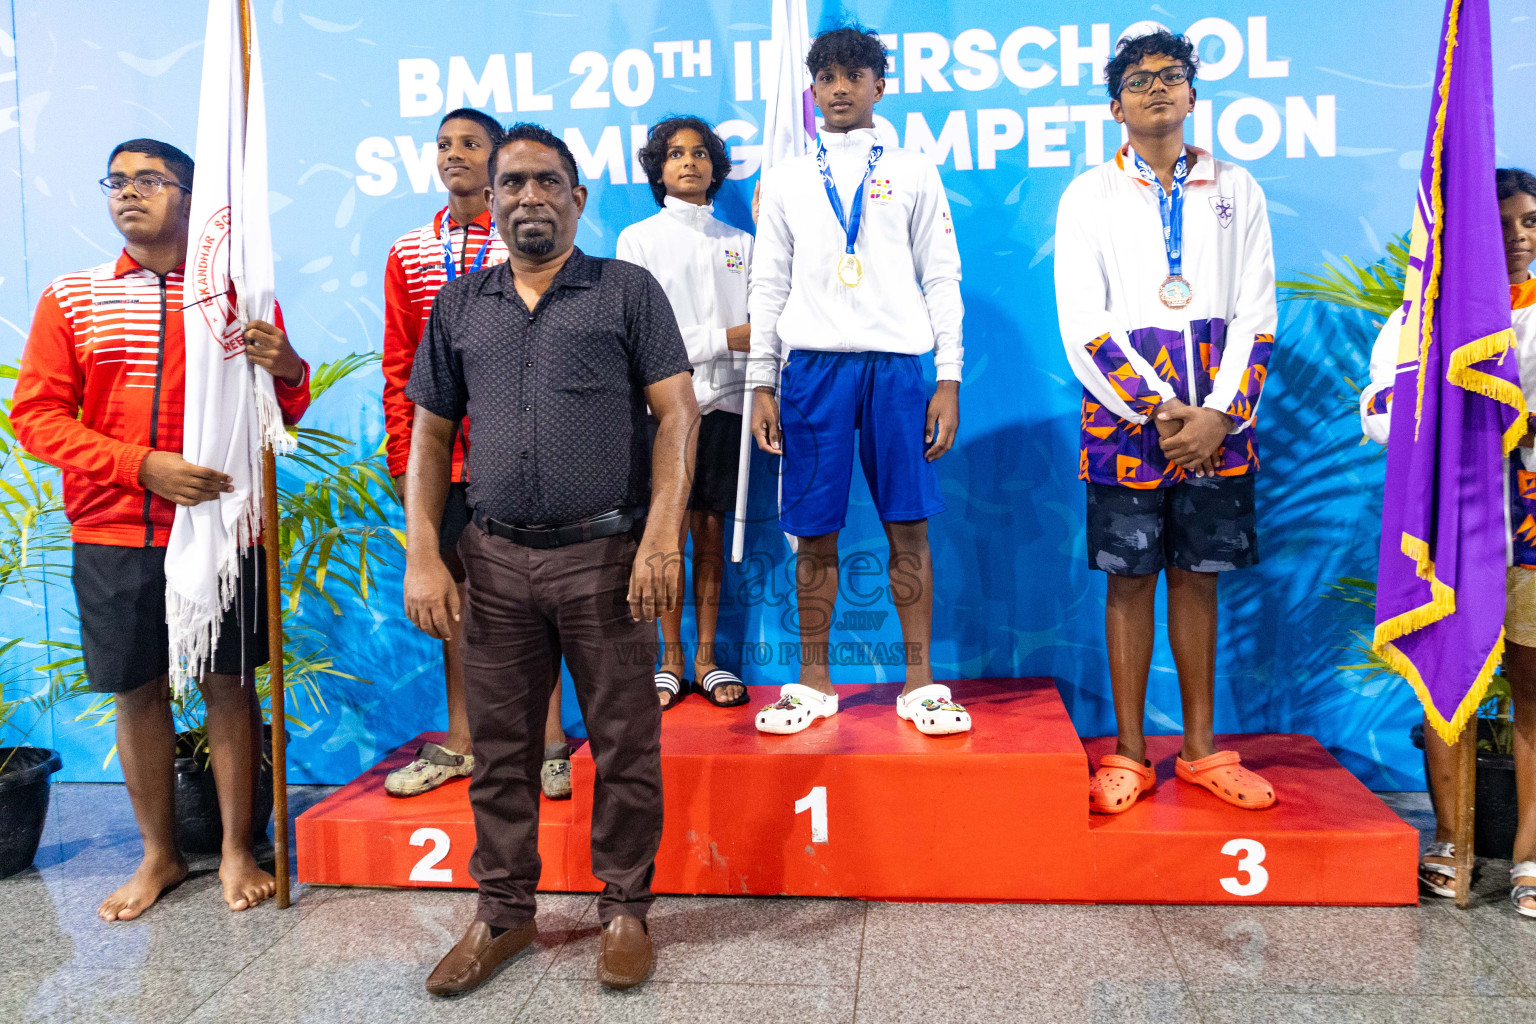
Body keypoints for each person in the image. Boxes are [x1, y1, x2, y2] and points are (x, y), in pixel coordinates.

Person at [403, 123, 696, 995]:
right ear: (488, 199)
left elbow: (679, 417)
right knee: (498, 751)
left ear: (578, 196)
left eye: (547, 181)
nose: (529, 196)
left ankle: (626, 909)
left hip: (606, 558)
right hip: (491, 562)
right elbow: (430, 434)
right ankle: (504, 914)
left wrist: (660, 536)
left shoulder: (626, 292)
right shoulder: (461, 305)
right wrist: (425, 548)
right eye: (512, 183)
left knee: (624, 742)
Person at [11, 139, 312, 919]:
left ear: (192, 195)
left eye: (150, 179)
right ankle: (160, 856)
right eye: (117, 180)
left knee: (230, 686)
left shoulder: (235, 296)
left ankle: (240, 851)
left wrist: (288, 367)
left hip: (223, 525)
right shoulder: (71, 297)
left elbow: (282, 412)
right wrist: (140, 465)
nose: (128, 193)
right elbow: (37, 420)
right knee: (137, 690)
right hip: (115, 528)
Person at [1054, 30, 1278, 813]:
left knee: (1198, 579)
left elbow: (1256, 313)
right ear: (1115, 104)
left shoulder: (1235, 187)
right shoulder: (1089, 194)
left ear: (1193, 93)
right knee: (1129, 581)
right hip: (1126, 424)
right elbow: (1082, 321)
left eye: (1171, 76)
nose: (1156, 88)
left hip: (1219, 421)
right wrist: (1159, 411)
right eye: (1138, 80)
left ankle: (1203, 751)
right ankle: (1127, 753)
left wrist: (1218, 415)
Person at [748, 27, 968, 737]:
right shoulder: (783, 179)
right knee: (813, 533)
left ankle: (920, 682)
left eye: (855, 74)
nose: (839, 88)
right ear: (811, 91)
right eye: (826, 77)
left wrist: (949, 377)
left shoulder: (913, 170)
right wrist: (761, 383)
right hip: (810, 370)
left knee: (909, 525)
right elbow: (767, 285)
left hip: (900, 369)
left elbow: (941, 275)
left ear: (881, 85)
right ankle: (812, 683)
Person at [382, 107, 573, 800]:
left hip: (514, 461)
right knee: (450, 605)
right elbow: (399, 363)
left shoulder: (529, 241)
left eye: (471, 144)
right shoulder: (408, 251)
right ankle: (463, 741)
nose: (454, 154)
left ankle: (552, 742)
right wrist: (408, 460)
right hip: (444, 466)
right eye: (443, 144)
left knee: (537, 602)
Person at [1363, 167, 1536, 918]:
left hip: (1530, 532)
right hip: (1450, 539)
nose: (1519, 237)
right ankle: (1449, 842)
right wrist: (1437, 396)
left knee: (1533, 694)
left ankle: (1530, 853)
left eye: (1530, 222)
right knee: (1448, 689)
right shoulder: (1417, 319)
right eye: (1500, 224)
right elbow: (1376, 411)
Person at [618, 116, 752, 711]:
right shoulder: (638, 241)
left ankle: (706, 659)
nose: (690, 163)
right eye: (675, 154)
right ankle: (668, 659)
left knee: (709, 533)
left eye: (700, 153)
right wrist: (725, 337)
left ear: (716, 167)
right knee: (666, 530)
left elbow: (761, 336)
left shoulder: (740, 243)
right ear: (658, 168)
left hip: (725, 406)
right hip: (664, 410)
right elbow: (648, 338)